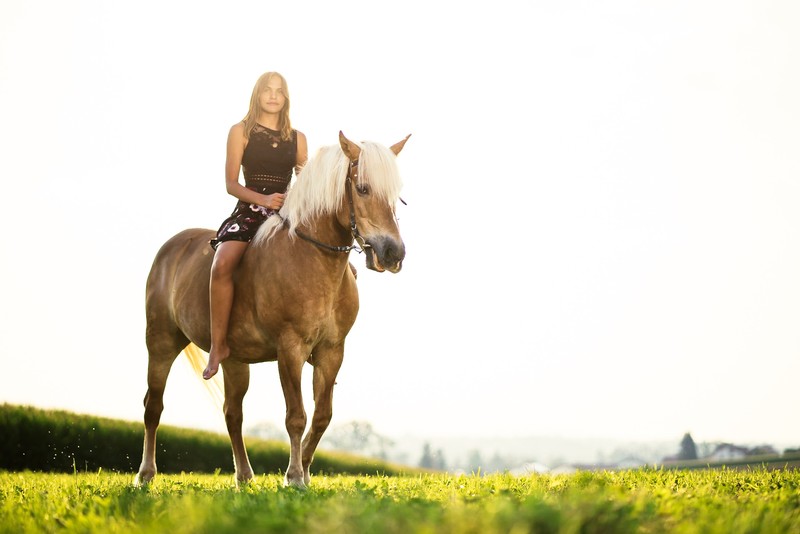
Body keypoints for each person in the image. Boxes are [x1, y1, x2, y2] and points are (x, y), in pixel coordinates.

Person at [203, 71, 308, 380]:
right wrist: (264, 201)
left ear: (286, 98)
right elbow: (231, 184)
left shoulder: (298, 138)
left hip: (287, 215)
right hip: (250, 209)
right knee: (222, 264)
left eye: (279, 91)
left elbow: (308, 183)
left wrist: (289, 200)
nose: (273, 96)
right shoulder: (241, 131)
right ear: (257, 95)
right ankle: (218, 345)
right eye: (267, 90)